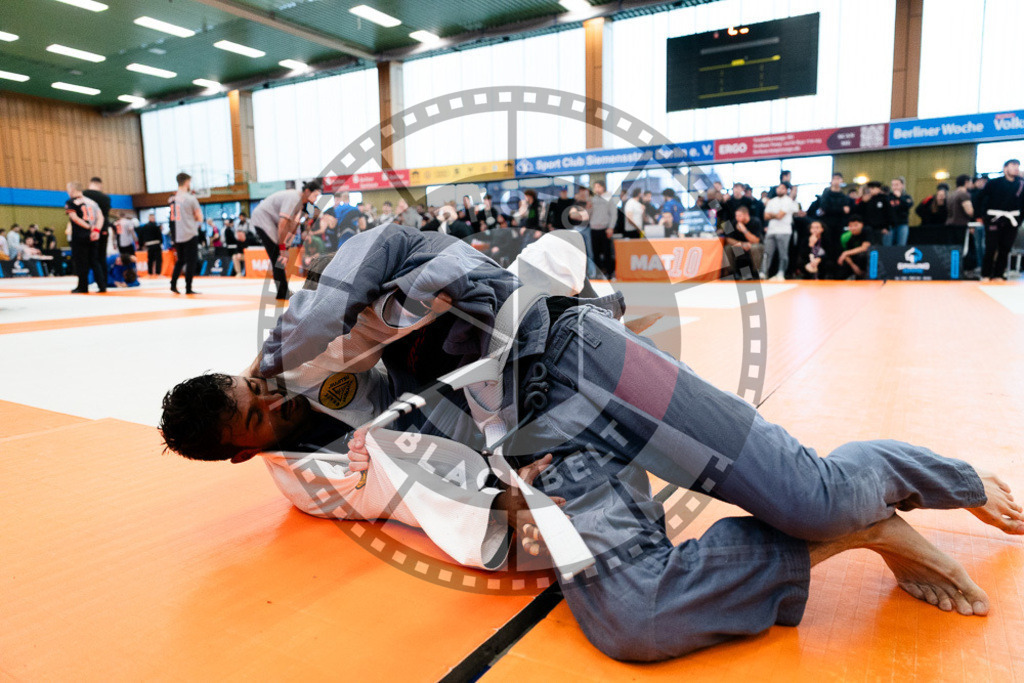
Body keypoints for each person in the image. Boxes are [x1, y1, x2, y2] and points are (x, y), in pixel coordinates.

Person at [164, 223, 1022, 663]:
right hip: (540, 442)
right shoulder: (301, 461)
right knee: (630, 617)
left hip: (585, 357)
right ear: (244, 451)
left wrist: (296, 342)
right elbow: (403, 466)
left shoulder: (305, 330)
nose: (273, 402)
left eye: (255, 391)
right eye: (258, 416)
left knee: (810, 493)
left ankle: (939, 477)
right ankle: (852, 535)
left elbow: (391, 241)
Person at [251, 180, 323, 300]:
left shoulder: (301, 206)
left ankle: (282, 291)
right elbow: (283, 224)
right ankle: (282, 292)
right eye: (315, 195)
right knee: (277, 257)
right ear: (306, 191)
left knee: (280, 257)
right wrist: (282, 248)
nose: (316, 198)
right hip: (263, 219)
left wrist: (286, 247)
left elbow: (293, 228)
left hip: (271, 222)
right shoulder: (294, 198)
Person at [976, 159, 1024, 281]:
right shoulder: (994, 183)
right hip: (993, 218)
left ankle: (999, 274)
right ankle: (985, 274)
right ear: (1005, 168)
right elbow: (980, 198)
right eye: (1013, 165)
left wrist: (1019, 221)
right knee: (991, 247)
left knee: (1005, 248)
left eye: (1018, 166)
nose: (1016, 168)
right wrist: (981, 216)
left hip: (1012, 220)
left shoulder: (1021, 184)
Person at [65, 181, 106, 293]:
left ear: (72, 189)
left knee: (81, 262)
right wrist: (96, 230)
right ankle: (102, 286)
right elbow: (100, 217)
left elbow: (75, 218)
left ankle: (83, 287)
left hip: (80, 236)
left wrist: (88, 227)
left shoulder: (71, 202)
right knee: (95, 261)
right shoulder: (92, 202)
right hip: (94, 235)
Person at [169, 172, 204, 295]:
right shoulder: (190, 198)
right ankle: (188, 287)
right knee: (191, 261)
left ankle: (173, 284)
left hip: (177, 234)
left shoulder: (172, 199)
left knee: (180, 260)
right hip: (189, 232)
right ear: (187, 182)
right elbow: (200, 217)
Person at [761, 181, 798, 280]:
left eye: (782, 188)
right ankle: (764, 273)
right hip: (771, 231)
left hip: (784, 231)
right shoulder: (772, 201)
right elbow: (765, 216)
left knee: (783, 254)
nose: (780, 190)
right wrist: (776, 215)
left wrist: (772, 214)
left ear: (786, 190)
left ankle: (781, 272)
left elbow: (780, 216)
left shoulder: (788, 201)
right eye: (778, 188)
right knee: (767, 253)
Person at [718, 204, 763, 278]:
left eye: (739, 216)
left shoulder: (756, 221)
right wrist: (742, 244)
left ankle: (756, 273)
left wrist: (744, 230)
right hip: (740, 246)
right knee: (728, 248)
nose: (737, 218)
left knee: (754, 248)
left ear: (746, 215)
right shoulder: (733, 222)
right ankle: (732, 273)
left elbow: (756, 241)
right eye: (736, 216)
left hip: (753, 245)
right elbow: (728, 239)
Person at [82, 177, 112, 287]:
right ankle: (103, 281)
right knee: (101, 257)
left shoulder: (83, 195)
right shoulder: (106, 198)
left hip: (88, 229)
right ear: (99, 184)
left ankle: (85, 282)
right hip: (103, 229)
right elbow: (105, 214)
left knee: (87, 257)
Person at [588, 181, 617, 278]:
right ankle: (598, 273)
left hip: (605, 229)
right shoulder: (593, 200)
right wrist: (588, 208)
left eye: (598, 187)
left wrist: (611, 227)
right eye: (595, 187)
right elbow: (589, 214)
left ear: (603, 187)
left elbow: (613, 214)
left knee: (607, 253)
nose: (596, 189)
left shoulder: (609, 198)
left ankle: (610, 273)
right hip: (594, 229)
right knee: (595, 253)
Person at [836, 215, 874, 280]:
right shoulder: (845, 236)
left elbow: (864, 247)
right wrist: (854, 266)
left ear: (861, 224)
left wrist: (845, 253)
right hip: (852, 261)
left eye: (856, 225)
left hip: (865, 260)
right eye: (851, 226)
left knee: (863, 255)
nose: (853, 228)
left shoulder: (867, 231)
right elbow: (844, 254)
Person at [946, 175, 975, 239]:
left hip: (950, 224)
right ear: (966, 182)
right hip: (961, 226)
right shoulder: (963, 194)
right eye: (971, 182)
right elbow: (969, 211)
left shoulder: (951, 195)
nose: (972, 184)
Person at [888, 177, 914, 247]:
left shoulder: (906, 196)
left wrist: (900, 197)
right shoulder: (888, 197)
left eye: (897, 184)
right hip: (890, 225)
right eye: (893, 185)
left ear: (902, 185)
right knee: (888, 246)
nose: (895, 187)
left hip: (902, 224)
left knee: (901, 246)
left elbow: (909, 204)